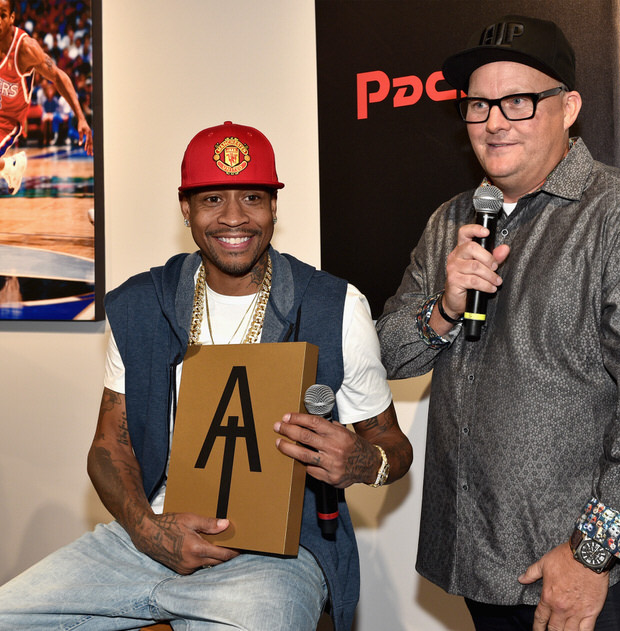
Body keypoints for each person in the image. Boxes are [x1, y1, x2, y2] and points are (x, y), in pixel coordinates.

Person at [0, 121, 412, 630]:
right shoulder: (141, 303)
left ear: (274, 208)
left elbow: (394, 447)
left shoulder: (335, 306)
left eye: (252, 198)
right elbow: (109, 445)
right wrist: (146, 528)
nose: (234, 217)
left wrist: (361, 461)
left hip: (275, 554)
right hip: (146, 536)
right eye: (213, 198)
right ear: (186, 209)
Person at [376, 14, 620, 631]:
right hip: (481, 560)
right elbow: (390, 355)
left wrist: (590, 554)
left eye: (520, 101)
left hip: (594, 574)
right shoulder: (450, 220)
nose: (495, 121)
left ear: (570, 107)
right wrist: (444, 309)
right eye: (478, 105)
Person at [0, 0, 93, 195]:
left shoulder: (25, 48)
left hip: (7, 122)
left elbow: (58, 76)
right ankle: (8, 166)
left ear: (12, 17)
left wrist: (81, 117)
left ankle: (8, 166)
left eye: (2, 15)